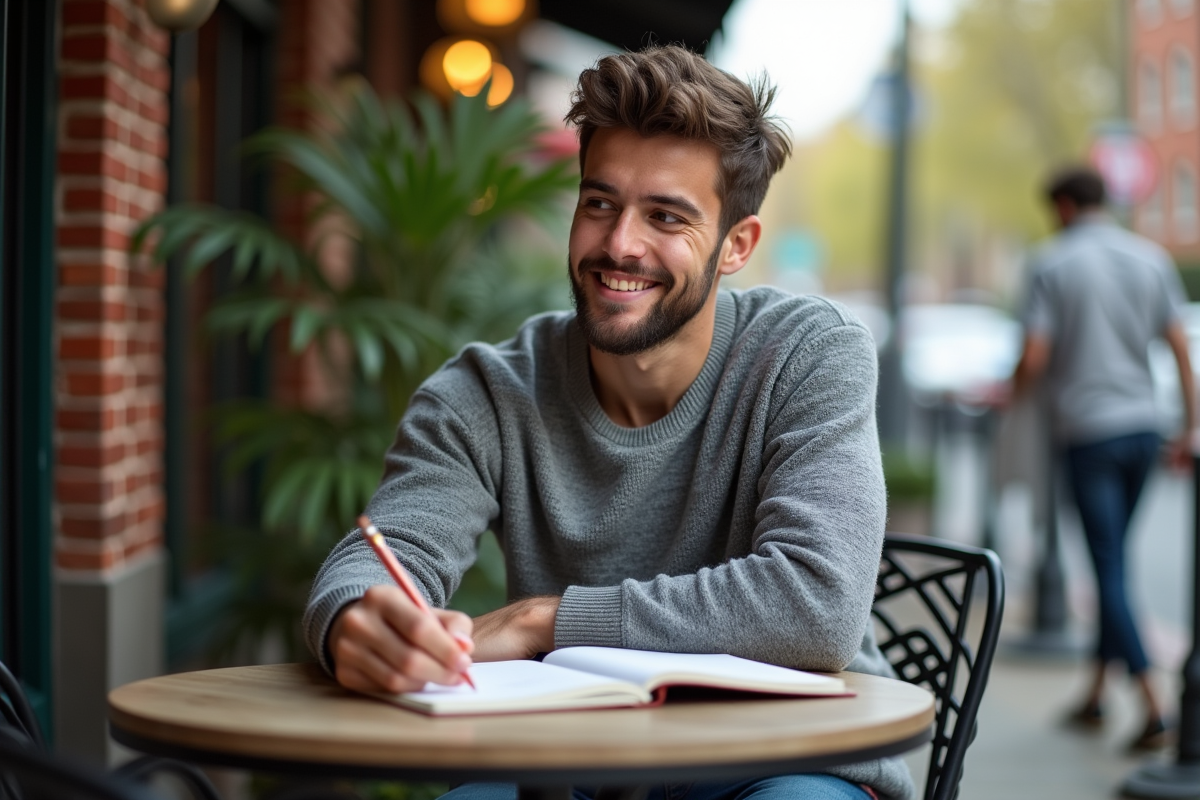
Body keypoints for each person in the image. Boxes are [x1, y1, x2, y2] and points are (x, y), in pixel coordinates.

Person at [304, 45, 912, 800]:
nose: (620, 243)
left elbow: (816, 604)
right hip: (571, 770)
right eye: (601, 203)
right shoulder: (487, 392)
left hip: (786, 762)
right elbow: (382, 556)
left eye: (666, 216)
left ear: (737, 246)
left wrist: (543, 621)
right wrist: (359, 622)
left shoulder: (807, 354)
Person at [1010, 165, 1195, 751]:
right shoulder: (1151, 258)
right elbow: (1179, 346)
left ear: (1063, 206)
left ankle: (1152, 703)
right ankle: (1094, 694)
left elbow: (1034, 356)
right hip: (1145, 428)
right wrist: (1192, 424)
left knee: (1107, 566)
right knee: (1113, 561)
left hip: (1087, 433)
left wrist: (1007, 395)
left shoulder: (1051, 263)